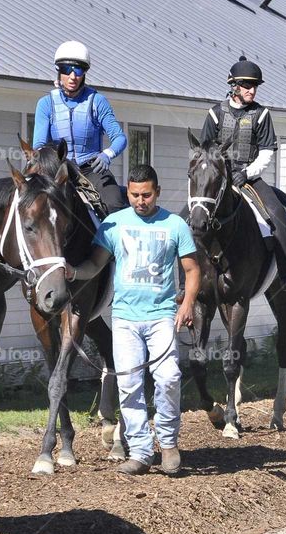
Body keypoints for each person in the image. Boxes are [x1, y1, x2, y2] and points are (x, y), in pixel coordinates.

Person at [66, 164, 200, 476]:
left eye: (147, 195)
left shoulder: (175, 225)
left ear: (158, 193)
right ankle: (140, 451)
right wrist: (72, 272)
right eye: (135, 195)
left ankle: (167, 443)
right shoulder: (113, 224)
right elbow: (95, 265)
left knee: (168, 378)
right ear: (128, 193)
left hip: (162, 316)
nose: (141, 201)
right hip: (125, 319)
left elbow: (193, 271)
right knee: (128, 383)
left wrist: (188, 303)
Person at [200, 56, 286, 291]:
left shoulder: (261, 115)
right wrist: (218, 173)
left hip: (249, 178)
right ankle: (183, 282)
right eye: (246, 85)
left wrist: (247, 172)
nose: (252, 90)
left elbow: (266, 152)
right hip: (219, 178)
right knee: (188, 218)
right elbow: (205, 150)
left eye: (254, 86)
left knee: (279, 215)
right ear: (233, 86)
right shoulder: (215, 114)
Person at [31, 40, 127, 215]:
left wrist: (107, 154)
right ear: (58, 72)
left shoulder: (98, 101)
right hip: (57, 169)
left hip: (92, 169)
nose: (73, 76)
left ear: (84, 73)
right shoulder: (45, 104)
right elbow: (39, 145)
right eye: (67, 70)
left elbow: (120, 138)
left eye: (78, 70)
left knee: (115, 204)